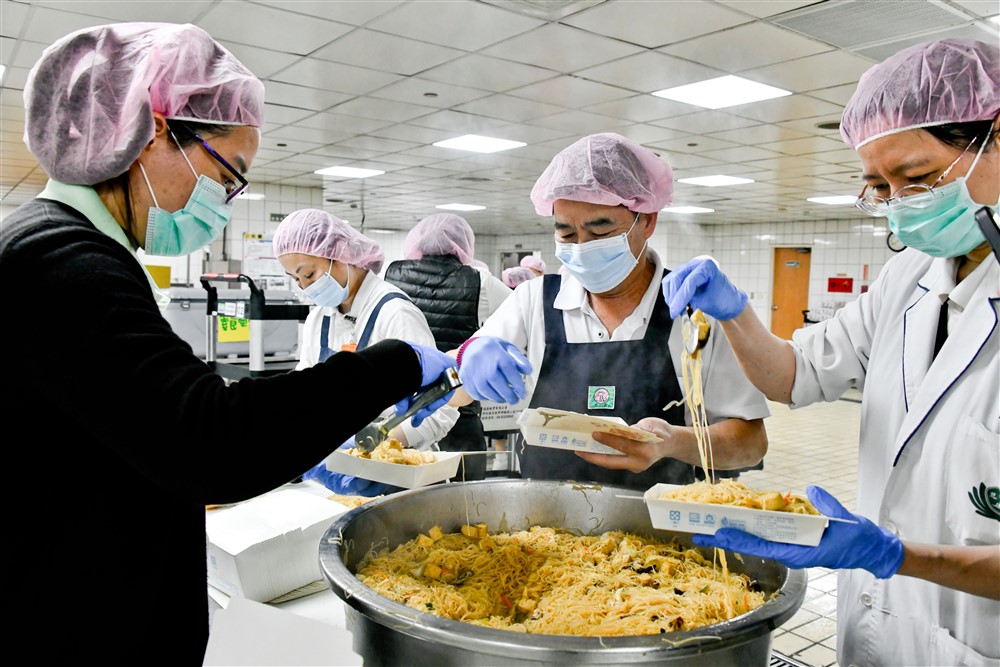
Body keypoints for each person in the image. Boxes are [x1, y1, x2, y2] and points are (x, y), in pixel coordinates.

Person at [0, 23, 457, 664]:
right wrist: (397, 364)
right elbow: (210, 439)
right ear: (154, 131)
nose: (225, 201)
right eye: (227, 175)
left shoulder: (59, 247)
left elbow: (159, 418)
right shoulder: (62, 261)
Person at [661, 38, 999, 666]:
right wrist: (736, 314)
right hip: (878, 631)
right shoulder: (910, 276)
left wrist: (896, 556)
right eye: (879, 185)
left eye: (917, 178)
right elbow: (796, 375)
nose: (900, 203)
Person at [454, 133, 770, 490]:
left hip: (657, 523)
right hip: (541, 520)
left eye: (601, 231)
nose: (582, 248)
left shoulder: (694, 311)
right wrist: (468, 361)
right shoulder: (533, 301)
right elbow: (456, 395)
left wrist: (672, 443)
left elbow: (751, 444)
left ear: (647, 221)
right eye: (567, 234)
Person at [272, 208, 460, 496]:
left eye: (309, 274)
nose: (306, 287)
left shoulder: (395, 313)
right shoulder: (319, 318)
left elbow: (441, 407)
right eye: (296, 280)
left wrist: (378, 446)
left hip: (400, 477)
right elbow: (305, 392)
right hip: (337, 474)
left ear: (341, 254)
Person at [384, 213, 512, 480]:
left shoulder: (391, 274)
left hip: (400, 411)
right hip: (459, 407)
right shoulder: (480, 281)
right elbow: (522, 318)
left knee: (400, 493)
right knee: (465, 497)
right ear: (464, 245)